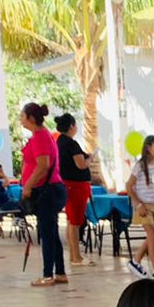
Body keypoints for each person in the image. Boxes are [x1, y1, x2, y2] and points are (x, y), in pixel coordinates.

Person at [19, 101, 67, 288]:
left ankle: (48, 275)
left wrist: (28, 185)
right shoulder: (42, 136)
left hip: (47, 191)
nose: (21, 119)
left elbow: (43, 165)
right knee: (51, 233)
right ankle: (60, 272)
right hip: (51, 190)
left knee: (47, 234)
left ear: (30, 118)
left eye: (22, 116)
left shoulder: (40, 137)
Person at [54, 114, 93, 270]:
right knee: (75, 221)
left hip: (67, 184)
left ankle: (73, 254)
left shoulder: (59, 142)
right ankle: (76, 256)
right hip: (76, 185)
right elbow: (80, 164)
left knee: (71, 220)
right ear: (71, 126)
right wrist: (90, 159)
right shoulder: (71, 143)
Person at [126, 135, 154, 279]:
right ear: (148, 148)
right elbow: (129, 186)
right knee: (152, 235)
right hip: (144, 205)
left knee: (153, 237)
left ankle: (136, 261)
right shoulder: (140, 166)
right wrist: (138, 204)